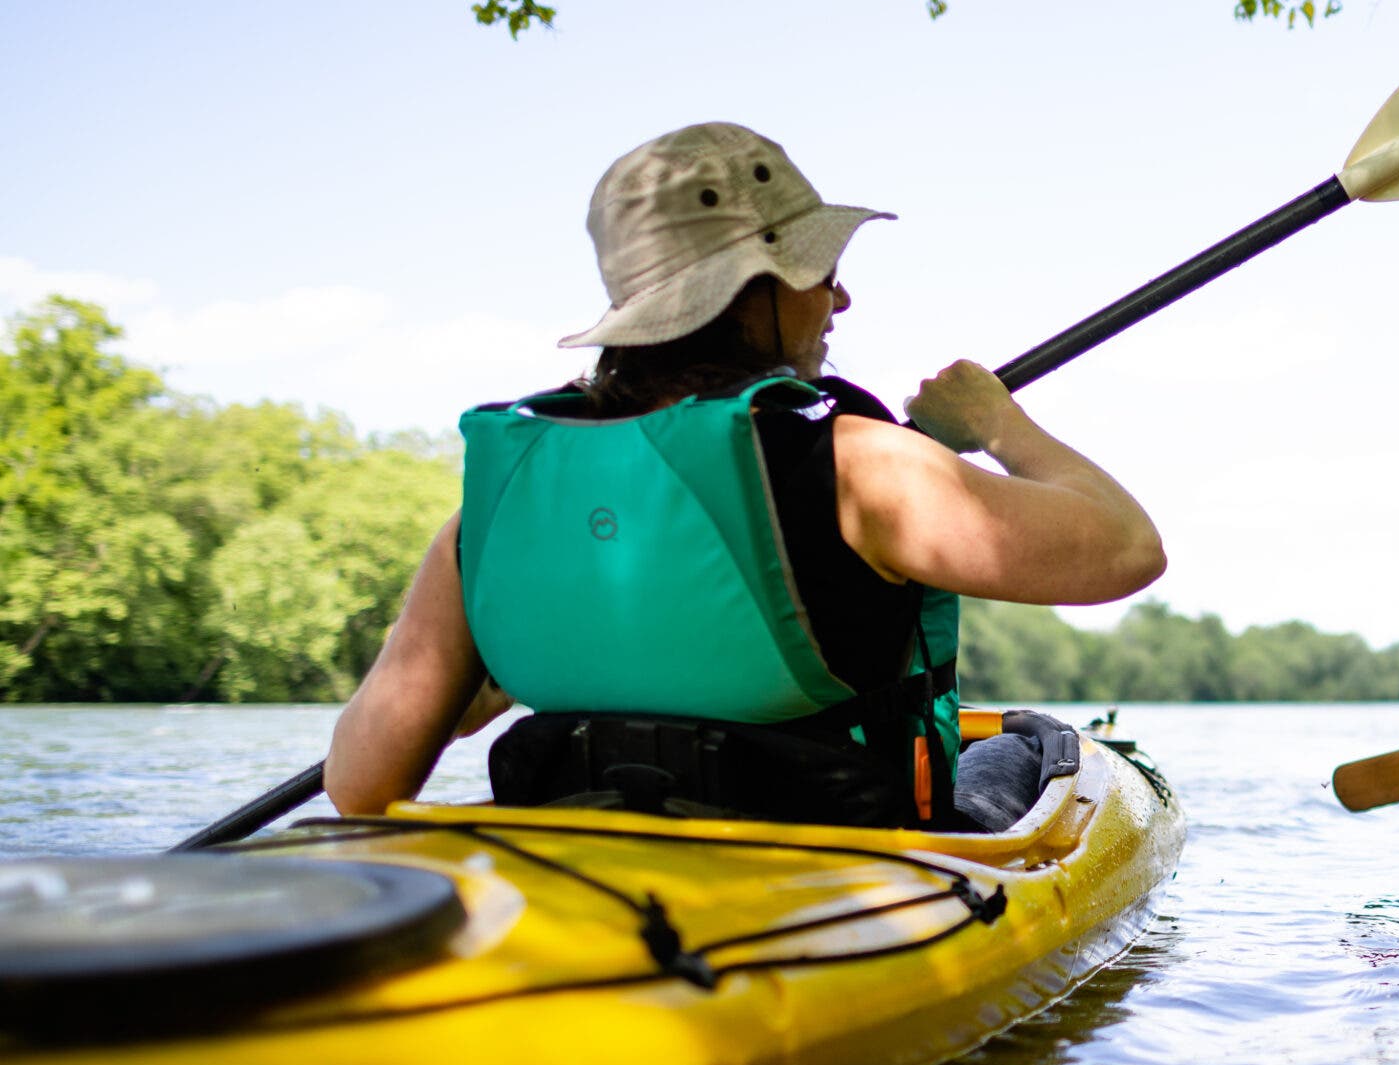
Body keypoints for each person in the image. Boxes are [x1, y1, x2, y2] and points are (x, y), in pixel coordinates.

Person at [326, 122, 1165, 829]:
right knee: (1034, 743)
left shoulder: (496, 515)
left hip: (584, 867)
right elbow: (1128, 549)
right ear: (752, 293)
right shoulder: (861, 464)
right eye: (821, 272)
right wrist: (995, 423)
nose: (839, 301)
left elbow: (361, 788)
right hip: (840, 863)